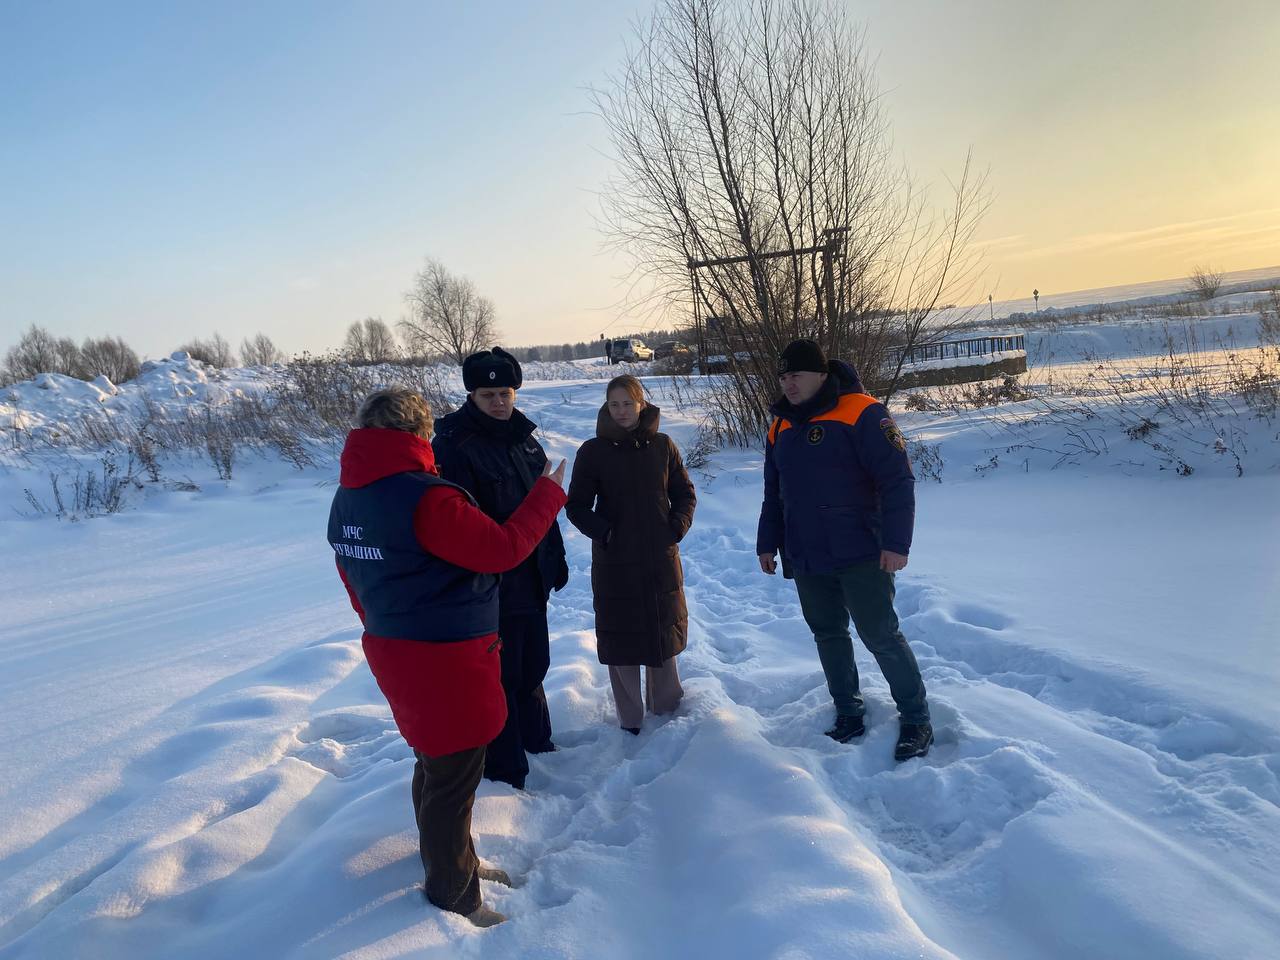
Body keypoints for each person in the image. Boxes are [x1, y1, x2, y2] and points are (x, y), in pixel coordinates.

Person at [329, 388, 567, 927]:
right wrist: (548, 493)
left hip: (395, 648)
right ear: (419, 433)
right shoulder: (426, 499)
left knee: (435, 763)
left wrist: (382, 625)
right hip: (445, 657)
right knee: (454, 776)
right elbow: (503, 549)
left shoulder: (350, 495)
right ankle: (454, 893)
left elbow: (353, 577)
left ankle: (453, 860)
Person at [755, 339, 933, 761]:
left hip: (862, 551)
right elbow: (774, 492)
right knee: (828, 634)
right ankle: (849, 711)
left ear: (821, 374)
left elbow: (897, 480)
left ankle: (916, 718)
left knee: (880, 635)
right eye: (783, 377)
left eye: (796, 375)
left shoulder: (863, 412)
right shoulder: (780, 426)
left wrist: (896, 543)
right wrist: (767, 541)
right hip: (807, 552)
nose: (788, 384)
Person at [431, 347, 569, 791]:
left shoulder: (524, 440)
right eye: (487, 394)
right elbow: (460, 527)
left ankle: (538, 742)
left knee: (534, 666)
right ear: (471, 396)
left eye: (505, 392)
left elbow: (542, 507)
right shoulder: (453, 447)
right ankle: (507, 773)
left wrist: (555, 558)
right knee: (501, 678)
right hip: (489, 587)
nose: (498, 402)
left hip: (531, 579)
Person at [565, 375, 696, 733]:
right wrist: (606, 532)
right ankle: (631, 720)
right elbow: (576, 506)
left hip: (659, 559)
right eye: (614, 404)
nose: (621, 411)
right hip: (616, 562)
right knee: (622, 639)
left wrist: (675, 527)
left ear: (641, 404)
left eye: (627, 403)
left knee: (661, 632)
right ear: (606, 407)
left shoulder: (663, 446)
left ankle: (666, 710)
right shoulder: (593, 451)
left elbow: (685, 494)